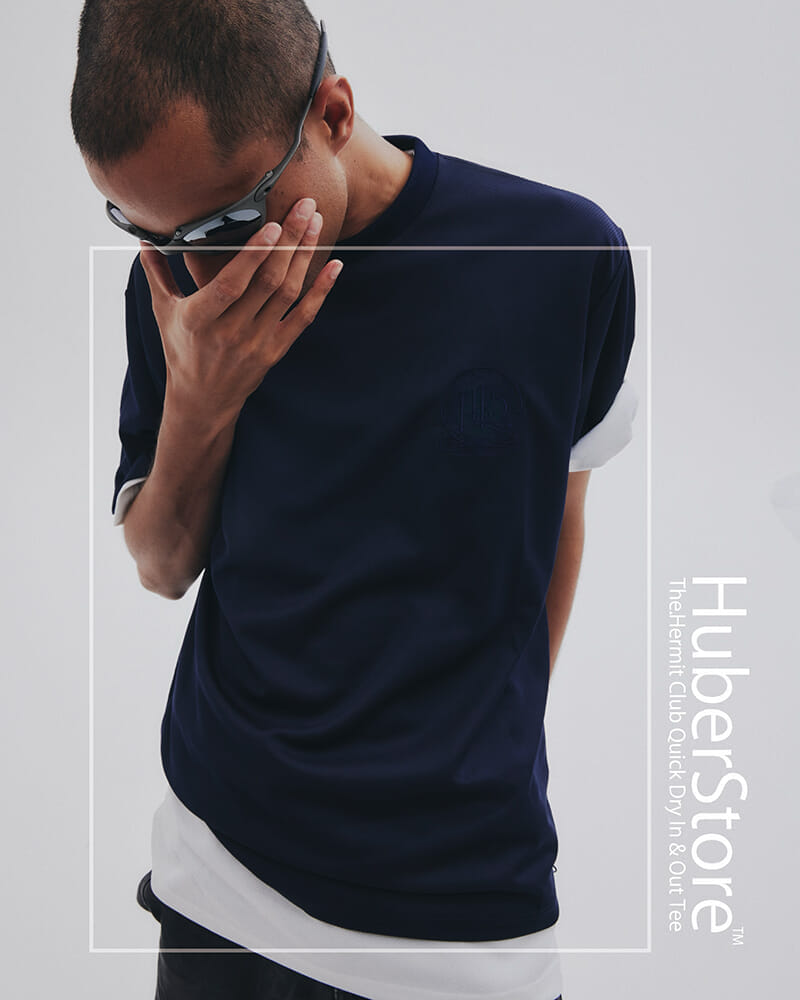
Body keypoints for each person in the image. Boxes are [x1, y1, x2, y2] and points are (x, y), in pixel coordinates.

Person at [71, 1, 638, 998]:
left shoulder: (560, 259)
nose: (194, 268)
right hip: (221, 876)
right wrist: (200, 396)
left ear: (332, 112)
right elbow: (161, 564)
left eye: (226, 224)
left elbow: (553, 525)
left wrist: (480, 735)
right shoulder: (176, 287)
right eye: (143, 229)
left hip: (461, 916)